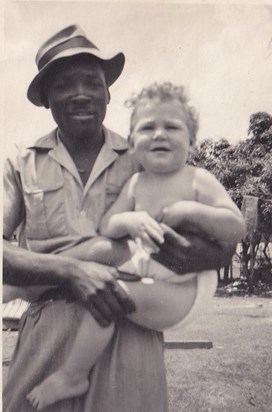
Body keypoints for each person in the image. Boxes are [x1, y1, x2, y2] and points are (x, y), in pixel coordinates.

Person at [3, 25, 238, 412]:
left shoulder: (147, 157)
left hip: (130, 331)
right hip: (47, 336)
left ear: (107, 93)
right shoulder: (20, 163)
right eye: (64, 84)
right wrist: (70, 272)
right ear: (46, 97)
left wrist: (200, 253)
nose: (81, 94)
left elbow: (221, 240)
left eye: (92, 83)